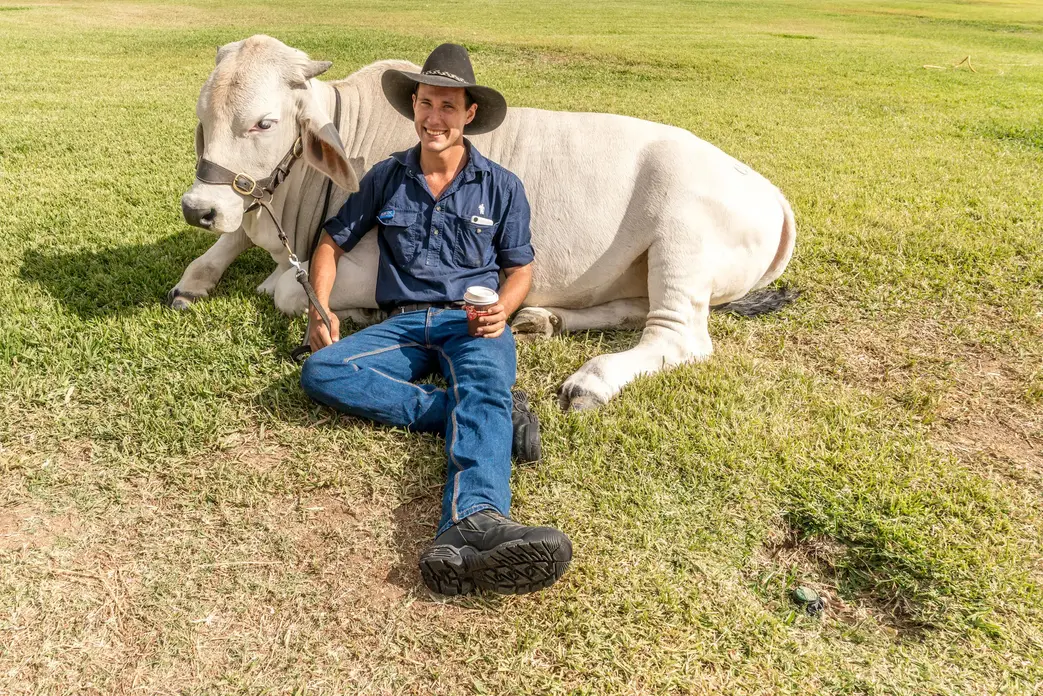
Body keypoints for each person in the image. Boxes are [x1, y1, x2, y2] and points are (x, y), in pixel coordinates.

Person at [299, 44, 572, 596]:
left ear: (469, 114)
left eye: (448, 107)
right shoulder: (386, 176)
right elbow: (330, 243)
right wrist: (320, 305)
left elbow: (520, 268)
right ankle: (483, 416)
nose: (434, 118)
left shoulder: (502, 185)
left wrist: (505, 307)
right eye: (427, 104)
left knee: (485, 382)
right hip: (402, 324)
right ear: (414, 107)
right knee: (322, 371)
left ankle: (474, 520)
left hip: (472, 323)